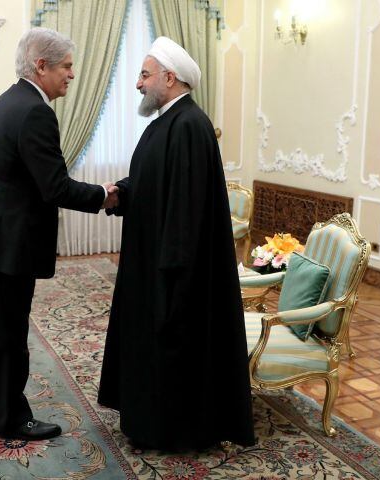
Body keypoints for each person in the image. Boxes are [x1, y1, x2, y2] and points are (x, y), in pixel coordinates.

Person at [0, 27, 118, 441]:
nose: (72, 74)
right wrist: (106, 195)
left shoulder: (9, 100)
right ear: (41, 66)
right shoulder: (35, 112)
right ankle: (12, 419)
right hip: (8, 241)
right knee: (9, 332)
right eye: (66, 66)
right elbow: (56, 187)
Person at [97, 36, 255, 451]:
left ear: (169, 78)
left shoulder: (188, 126)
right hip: (154, 263)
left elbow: (185, 212)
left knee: (173, 350)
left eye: (144, 75)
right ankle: (149, 420)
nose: (138, 84)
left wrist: (170, 279)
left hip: (173, 271)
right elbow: (153, 185)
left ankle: (171, 430)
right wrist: (119, 193)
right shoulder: (166, 123)